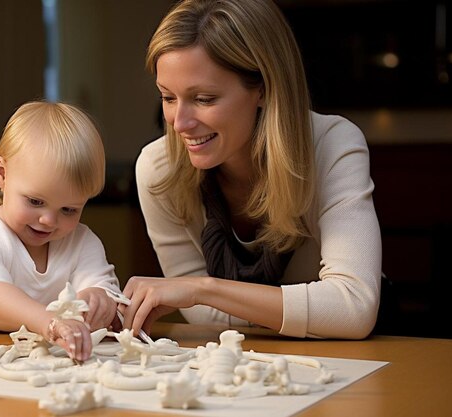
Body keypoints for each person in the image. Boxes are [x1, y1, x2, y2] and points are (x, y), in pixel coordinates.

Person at [122, 0, 381, 340]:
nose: (179, 123)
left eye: (203, 98)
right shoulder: (158, 170)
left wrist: (202, 288)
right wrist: (309, 310)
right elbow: (206, 318)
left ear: (263, 88)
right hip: (247, 363)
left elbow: (353, 309)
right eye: (168, 97)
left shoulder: (333, 145)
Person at [0, 101, 121, 361]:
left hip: (43, 352)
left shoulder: (82, 241)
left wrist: (98, 298)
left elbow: (104, 288)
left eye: (69, 209)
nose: (48, 220)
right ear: (2, 174)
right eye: (35, 202)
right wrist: (48, 322)